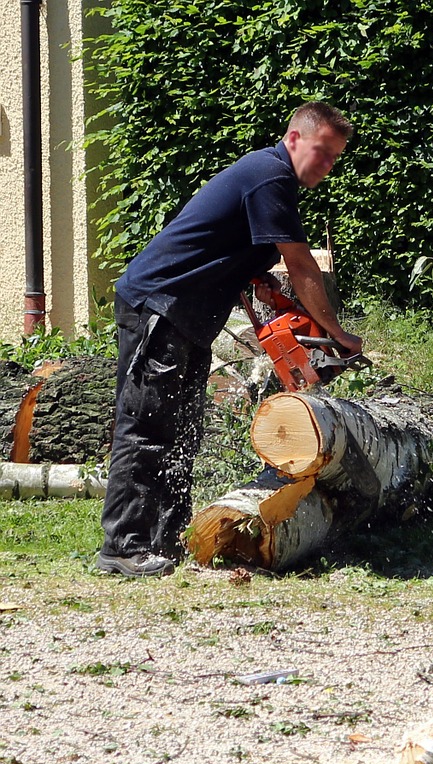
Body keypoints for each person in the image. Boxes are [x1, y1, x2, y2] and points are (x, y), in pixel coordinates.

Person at [98, 101, 362, 578]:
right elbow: (301, 266)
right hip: (159, 308)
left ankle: (167, 540)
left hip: (186, 315)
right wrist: (337, 334)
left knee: (182, 432)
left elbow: (246, 267)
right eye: (322, 152)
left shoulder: (268, 179)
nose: (326, 166)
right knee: (147, 427)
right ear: (295, 138)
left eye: (334, 158)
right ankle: (123, 546)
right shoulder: (270, 176)